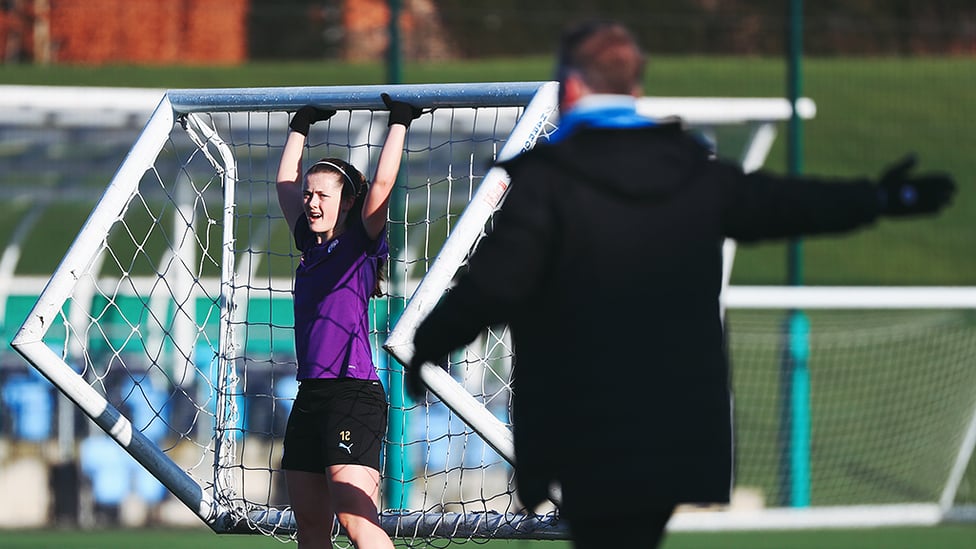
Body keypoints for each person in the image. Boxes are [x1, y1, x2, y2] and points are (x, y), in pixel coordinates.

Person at [405, 20, 956, 549]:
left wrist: (429, 344)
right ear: (636, 86)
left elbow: (497, 281)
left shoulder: (550, 179)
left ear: (570, 86)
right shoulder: (691, 169)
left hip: (584, 422)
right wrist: (883, 198)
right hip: (675, 423)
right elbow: (787, 203)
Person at [276, 94, 421, 549]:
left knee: (356, 518)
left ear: (348, 202)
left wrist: (399, 121)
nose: (311, 202)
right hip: (310, 394)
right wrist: (299, 126)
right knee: (311, 528)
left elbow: (380, 187)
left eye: (323, 195)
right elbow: (285, 182)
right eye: (310, 194)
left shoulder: (359, 243)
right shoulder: (309, 243)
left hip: (352, 392)